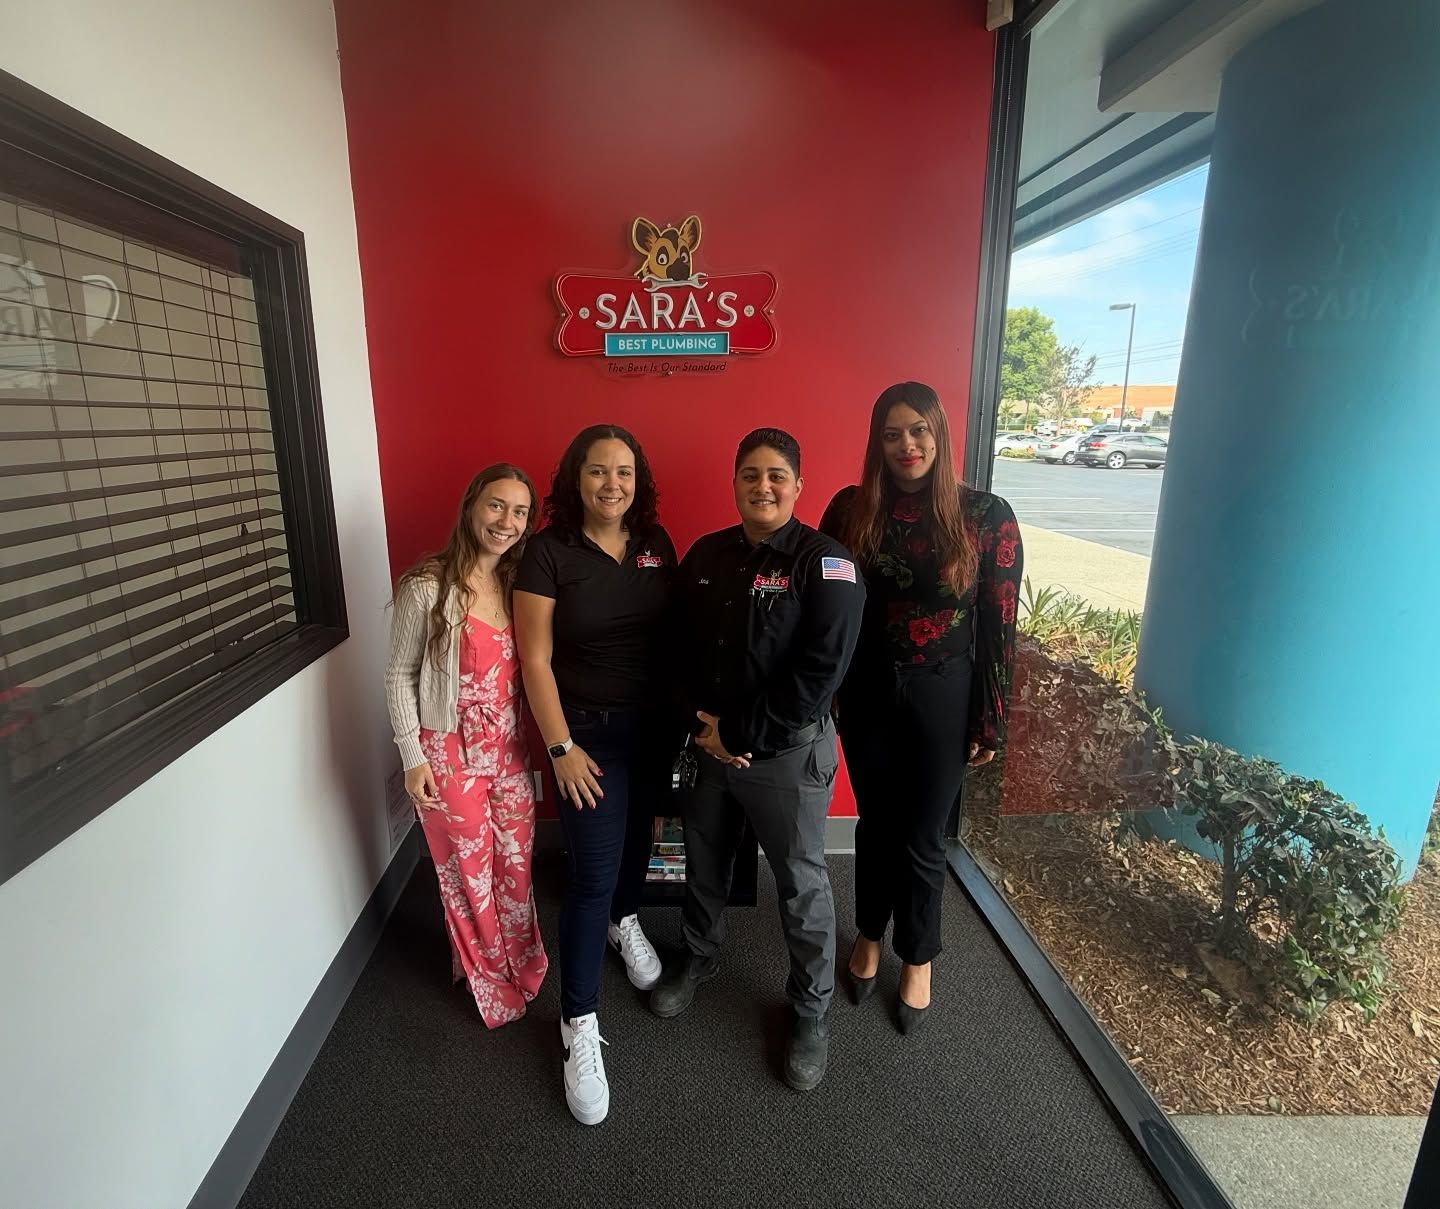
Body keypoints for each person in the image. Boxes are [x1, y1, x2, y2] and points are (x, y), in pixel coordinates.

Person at [651, 427, 864, 1094]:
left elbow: (819, 674)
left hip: (787, 758)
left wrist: (736, 729)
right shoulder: (707, 554)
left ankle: (809, 1010)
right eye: (750, 473)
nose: (763, 485)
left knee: (801, 885)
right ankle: (698, 953)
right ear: (735, 482)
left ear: (798, 486)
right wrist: (700, 726)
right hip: (709, 748)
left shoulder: (826, 563)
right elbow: (675, 648)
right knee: (703, 860)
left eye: (776, 474)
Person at [820, 381, 1023, 1034]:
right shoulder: (850, 509)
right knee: (877, 822)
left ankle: (919, 954)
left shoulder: (987, 515)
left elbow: (1000, 622)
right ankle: (870, 935)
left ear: (939, 435)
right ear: (876, 443)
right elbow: (827, 611)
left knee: (924, 831)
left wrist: (992, 718)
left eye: (919, 431)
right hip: (868, 689)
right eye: (891, 433)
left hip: (946, 688)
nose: (906, 445)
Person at [513, 424, 674, 1127]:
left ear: (639, 481)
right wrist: (560, 748)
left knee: (637, 845)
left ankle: (624, 920)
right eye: (599, 471)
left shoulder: (655, 545)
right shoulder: (547, 554)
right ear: (573, 479)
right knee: (588, 874)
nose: (613, 484)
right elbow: (535, 659)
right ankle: (577, 1022)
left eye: (625, 473)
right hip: (586, 740)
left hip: (652, 731)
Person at [384, 463, 548, 1029]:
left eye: (520, 511)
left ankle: (520, 963)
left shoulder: (518, 583)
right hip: (447, 752)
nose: (506, 521)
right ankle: (488, 979)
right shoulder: (427, 586)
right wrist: (412, 757)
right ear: (472, 506)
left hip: (509, 750)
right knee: (468, 874)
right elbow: (398, 676)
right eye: (496, 505)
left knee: (516, 866)